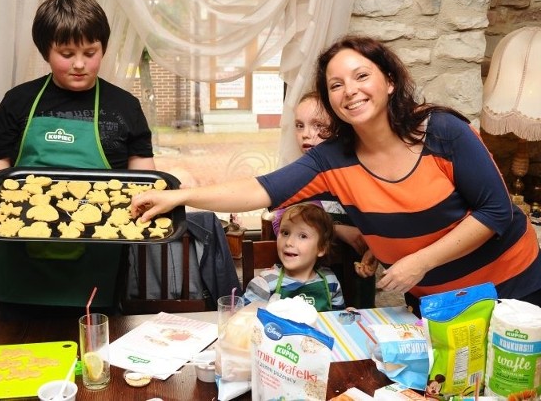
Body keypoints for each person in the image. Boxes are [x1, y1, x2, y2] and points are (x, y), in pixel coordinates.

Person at [131, 35, 541, 317]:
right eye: (335, 84)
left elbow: (495, 212)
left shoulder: (442, 132)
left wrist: (418, 261)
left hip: (512, 287)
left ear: (390, 80)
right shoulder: (332, 159)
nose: (350, 90)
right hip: (433, 304)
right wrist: (179, 196)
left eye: (362, 76)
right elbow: (261, 188)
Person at [0, 0, 155, 320]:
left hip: (98, 265)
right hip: (23, 263)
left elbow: (144, 181)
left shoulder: (124, 107)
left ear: (103, 49)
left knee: (93, 361)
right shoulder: (18, 102)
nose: (80, 64)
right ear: (46, 52)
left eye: (90, 52)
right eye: (66, 53)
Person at [290, 91, 377, 307]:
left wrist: (374, 248)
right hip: (312, 297)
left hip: (357, 292)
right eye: (299, 125)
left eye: (318, 125)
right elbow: (281, 219)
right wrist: (336, 229)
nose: (306, 134)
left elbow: (380, 222)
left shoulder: (359, 176)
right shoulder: (296, 179)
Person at [243, 202, 345, 311]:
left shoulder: (330, 281)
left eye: (302, 236)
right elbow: (244, 320)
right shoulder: (264, 284)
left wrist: (347, 315)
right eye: (285, 233)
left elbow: (337, 319)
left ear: (321, 248)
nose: (289, 242)